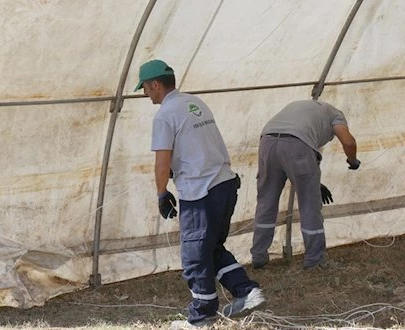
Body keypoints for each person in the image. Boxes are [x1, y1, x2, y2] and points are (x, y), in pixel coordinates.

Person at [136, 59, 265, 329]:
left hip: (201, 192)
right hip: (225, 184)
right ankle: (246, 291)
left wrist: (162, 194)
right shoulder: (194, 104)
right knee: (212, 248)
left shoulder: (164, 115)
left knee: (195, 254)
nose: (145, 94)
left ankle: (202, 317)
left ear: (155, 85)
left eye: (145, 89)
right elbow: (198, 146)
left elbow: (162, 161)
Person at [250, 99, 360, 271]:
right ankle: (314, 260)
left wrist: (317, 183)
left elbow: (288, 146)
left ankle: (258, 257)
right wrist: (353, 161)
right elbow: (349, 142)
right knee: (309, 205)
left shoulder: (301, 106)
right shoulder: (336, 115)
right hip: (297, 144)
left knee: (266, 203)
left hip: (268, 141)